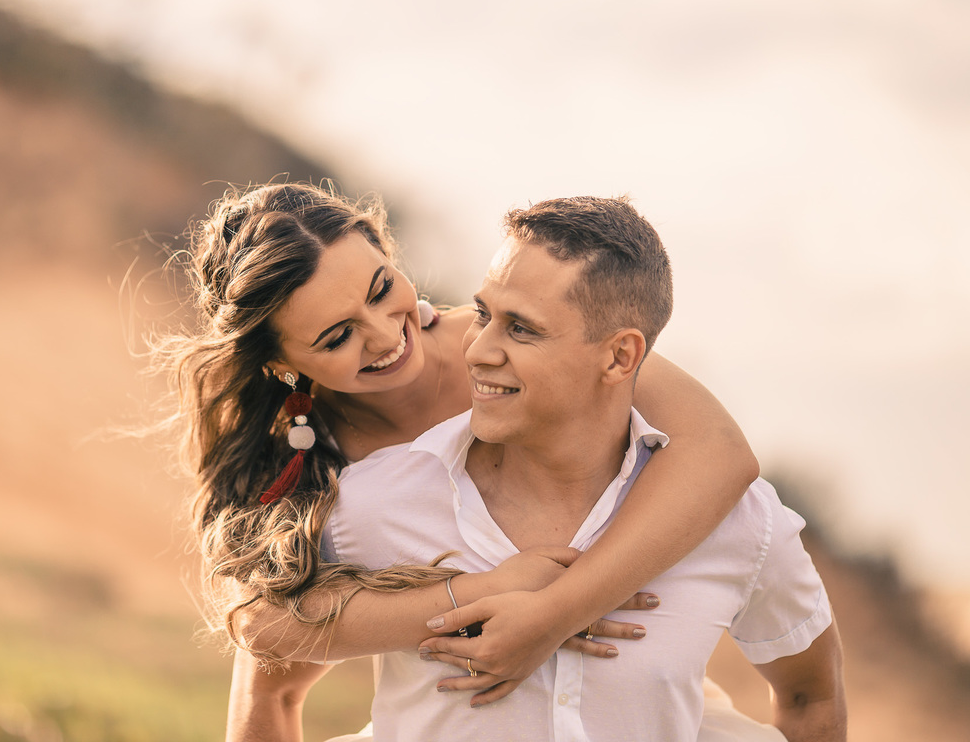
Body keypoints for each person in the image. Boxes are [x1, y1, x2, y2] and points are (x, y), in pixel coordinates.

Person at [152, 182, 763, 741]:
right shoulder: (304, 455)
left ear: (386, 251)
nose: (385, 336)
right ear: (282, 365)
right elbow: (264, 631)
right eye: (336, 337)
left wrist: (555, 612)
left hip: (637, 704)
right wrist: (483, 593)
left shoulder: (522, 344)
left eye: (381, 288)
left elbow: (720, 452)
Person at [288, 196, 847, 740]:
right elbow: (268, 640)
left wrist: (553, 613)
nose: (476, 348)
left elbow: (811, 696)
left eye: (521, 328)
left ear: (620, 357)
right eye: (482, 314)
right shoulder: (366, 506)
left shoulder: (740, 523)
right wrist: (467, 595)